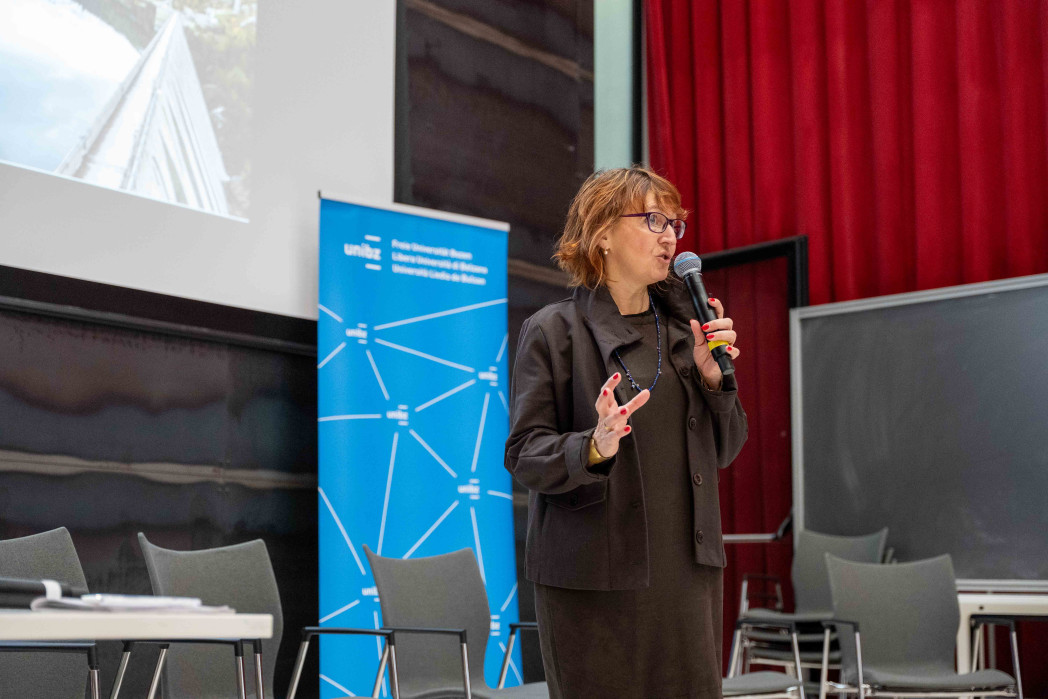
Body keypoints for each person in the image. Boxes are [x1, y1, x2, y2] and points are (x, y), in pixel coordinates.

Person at [504, 167, 748, 698]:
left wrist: (715, 383)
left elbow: (726, 450)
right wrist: (593, 445)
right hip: (594, 583)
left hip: (686, 577)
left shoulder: (690, 331)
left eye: (676, 223)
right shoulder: (554, 331)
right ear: (602, 234)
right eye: (654, 219)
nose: (670, 236)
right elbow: (524, 453)